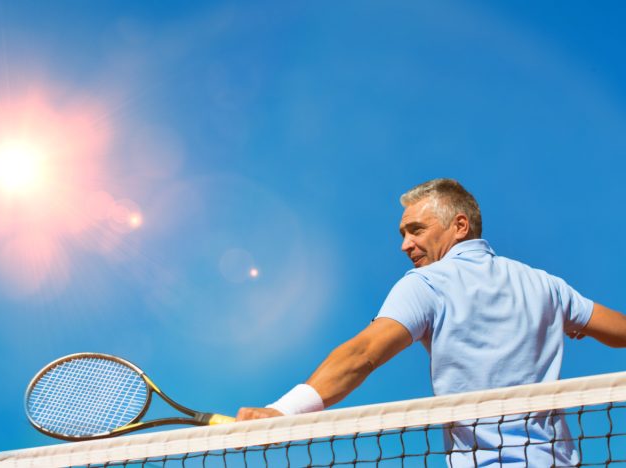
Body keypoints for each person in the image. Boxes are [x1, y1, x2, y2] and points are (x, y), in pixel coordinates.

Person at [236, 178, 626, 466]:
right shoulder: (545, 285)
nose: (405, 244)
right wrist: (563, 322)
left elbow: (363, 354)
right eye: (404, 233)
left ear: (459, 225)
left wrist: (283, 412)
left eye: (416, 230)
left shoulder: (427, 283)